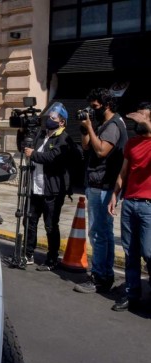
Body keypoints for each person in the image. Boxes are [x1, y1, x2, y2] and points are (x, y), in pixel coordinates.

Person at [74, 88, 128, 294]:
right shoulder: (104, 124)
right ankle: (104, 274)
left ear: (107, 105)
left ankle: (100, 277)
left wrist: (90, 126)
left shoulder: (114, 125)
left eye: (95, 107)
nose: (92, 110)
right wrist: (85, 128)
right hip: (97, 184)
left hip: (104, 186)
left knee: (99, 233)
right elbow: (87, 147)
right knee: (101, 232)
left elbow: (101, 150)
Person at [108, 102, 151, 311]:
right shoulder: (132, 143)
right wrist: (115, 195)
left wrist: (147, 123)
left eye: (143, 117)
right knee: (130, 251)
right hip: (130, 203)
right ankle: (132, 293)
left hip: (148, 207)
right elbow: (124, 173)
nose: (138, 120)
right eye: (138, 116)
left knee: (149, 251)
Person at [23, 102, 72, 270]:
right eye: (48, 117)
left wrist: (34, 154)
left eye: (53, 117)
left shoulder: (64, 138)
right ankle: (28, 253)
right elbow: (25, 147)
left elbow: (53, 157)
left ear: (62, 122)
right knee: (30, 221)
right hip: (35, 186)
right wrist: (23, 132)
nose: (49, 120)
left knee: (50, 225)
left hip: (52, 189)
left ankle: (52, 258)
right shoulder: (41, 134)